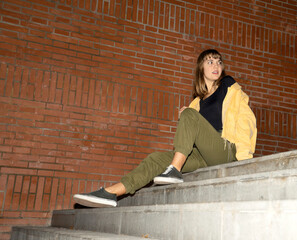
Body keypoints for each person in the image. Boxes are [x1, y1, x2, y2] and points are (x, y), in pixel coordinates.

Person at [73, 49, 257, 208]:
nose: (216, 65)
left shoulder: (228, 86)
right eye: (210, 61)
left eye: (219, 62)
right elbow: (190, 136)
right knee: (156, 158)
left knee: (188, 115)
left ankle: (174, 170)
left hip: (226, 149)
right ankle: (111, 192)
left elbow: (246, 119)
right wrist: (190, 113)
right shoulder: (196, 103)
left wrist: (243, 156)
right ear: (201, 68)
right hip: (202, 155)